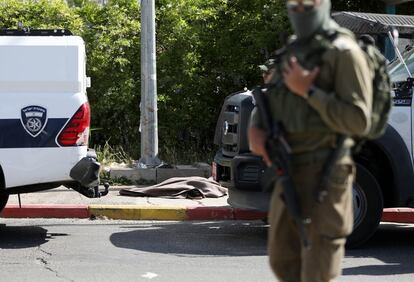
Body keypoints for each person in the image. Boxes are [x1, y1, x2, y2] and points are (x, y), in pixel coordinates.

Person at [248, 0, 373, 281]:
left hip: (327, 172)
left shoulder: (344, 52)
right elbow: (273, 99)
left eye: (309, 4)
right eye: (295, 4)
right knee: (283, 263)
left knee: (318, 271)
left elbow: (359, 120)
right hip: (287, 168)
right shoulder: (291, 52)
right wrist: (256, 129)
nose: (300, 10)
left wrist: (310, 91)